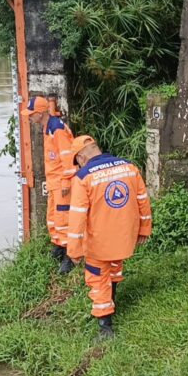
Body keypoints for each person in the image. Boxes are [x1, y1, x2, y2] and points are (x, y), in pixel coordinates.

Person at [66, 135, 152, 337]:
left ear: (80, 158)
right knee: (114, 268)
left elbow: (77, 218)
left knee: (98, 279)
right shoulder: (129, 167)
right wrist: (144, 229)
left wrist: (74, 251)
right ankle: (113, 302)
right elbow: (143, 200)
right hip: (125, 236)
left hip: (99, 241)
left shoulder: (83, 178)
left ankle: (105, 326)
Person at [21, 96, 77, 274]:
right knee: (53, 217)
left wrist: (66, 181)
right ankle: (59, 246)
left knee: (64, 218)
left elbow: (68, 157)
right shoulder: (48, 128)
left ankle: (70, 255)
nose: (29, 118)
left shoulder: (57, 129)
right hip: (54, 182)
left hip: (62, 182)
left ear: (40, 113)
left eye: (31, 114)